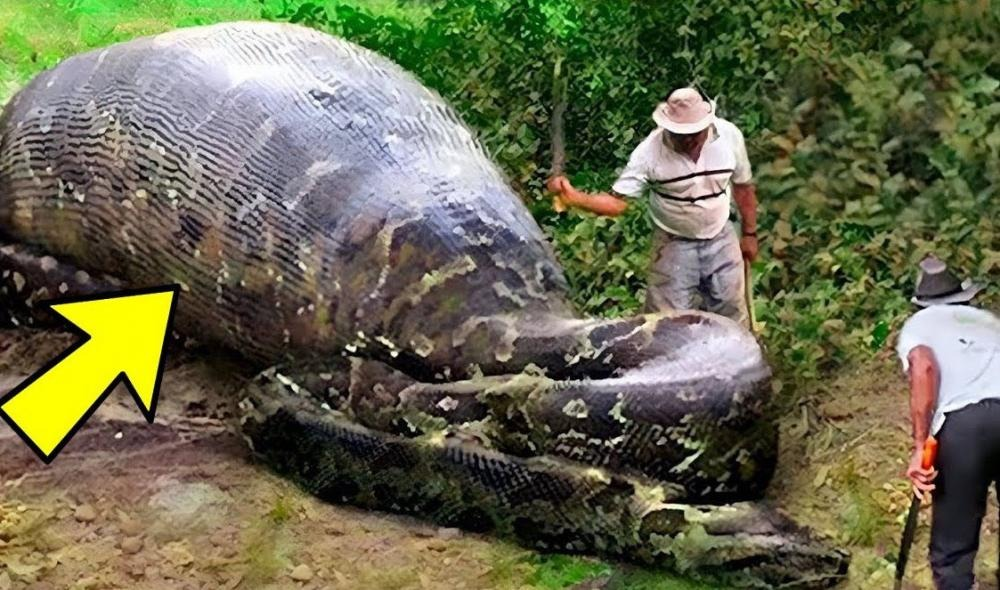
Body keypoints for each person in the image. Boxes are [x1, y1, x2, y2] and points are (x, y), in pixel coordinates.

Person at [547, 86, 759, 328]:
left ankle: (733, 362)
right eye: (681, 134)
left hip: (721, 234)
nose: (689, 140)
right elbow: (618, 203)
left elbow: (743, 186)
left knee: (731, 310)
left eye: (695, 133)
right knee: (666, 321)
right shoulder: (648, 153)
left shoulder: (729, 136)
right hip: (673, 242)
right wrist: (575, 197)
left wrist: (750, 234)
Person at [898, 254, 1000, 590]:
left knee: (954, 540)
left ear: (921, 303)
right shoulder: (989, 321)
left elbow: (924, 367)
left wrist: (919, 448)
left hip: (966, 425)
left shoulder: (920, 325)